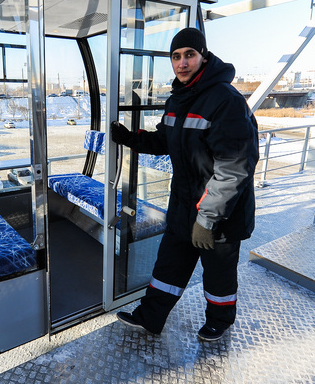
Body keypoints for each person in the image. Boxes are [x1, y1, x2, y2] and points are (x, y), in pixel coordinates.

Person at [111, 27, 259, 342]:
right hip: (183, 205)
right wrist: (130, 139)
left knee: (218, 273)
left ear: (203, 56)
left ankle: (220, 320)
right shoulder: (178, 99)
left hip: (219, 212)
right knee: (169, 265)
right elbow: (166, 140)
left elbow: (235, 167)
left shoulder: (225, 100)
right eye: (176, 56)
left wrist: (208, 219)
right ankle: (150, 317)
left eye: (189, 54)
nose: (182, 63)